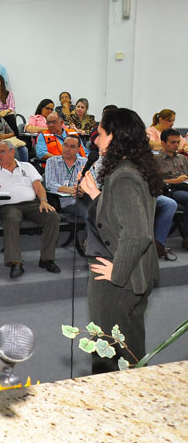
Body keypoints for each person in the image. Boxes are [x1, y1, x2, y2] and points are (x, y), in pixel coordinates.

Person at [78, 108, 162, 374]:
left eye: (100, 134)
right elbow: (122, 218)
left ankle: (107, 404)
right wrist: (96, 196)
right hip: (137, 272)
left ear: (114, 136)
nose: (95, 140)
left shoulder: (123, 175)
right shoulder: (135, 168)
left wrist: (118, 272)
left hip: (118, 276)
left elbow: (137, 233)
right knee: (130, 342)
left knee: (107, 346)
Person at [0, 140, 61, 279]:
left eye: (2, 152)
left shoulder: (27, 166)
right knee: (12, 218)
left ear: (12, 152)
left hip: (31, 204)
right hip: (7, 206)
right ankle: (15, 262)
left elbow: (38, 187)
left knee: (52, 216)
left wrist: (43, 201)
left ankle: (47, 259)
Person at [155, 128, 188, 251]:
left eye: (178, 142)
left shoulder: (182, 158)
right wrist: (174, 181)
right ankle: (186, 239)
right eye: (172, 142)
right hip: (170, 190)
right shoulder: (156, 160)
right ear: (163, 143)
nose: (176, 145)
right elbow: (154, 182)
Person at [44, 135, 90, 219]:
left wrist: (82, 189)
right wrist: (71, 190)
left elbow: (93, 181)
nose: (67, 149)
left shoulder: (85, 162)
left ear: (78, 149)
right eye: (65, 145)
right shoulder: (52, 161)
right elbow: (50, 183)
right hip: (68, 203)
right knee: (90, 214)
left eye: (72, 147)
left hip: (86, 198)